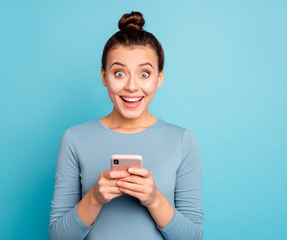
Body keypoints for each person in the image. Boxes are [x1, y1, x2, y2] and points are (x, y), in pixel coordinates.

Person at [49, 11, 203, 240]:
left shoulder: (182, 140)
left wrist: (153, 198)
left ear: (159, 78)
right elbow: (59, 237)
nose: (132, 86)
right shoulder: (74, 138)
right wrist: (95, 197)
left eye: (144, 73)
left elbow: (194, 237)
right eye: (119, 73)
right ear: (104, 77)